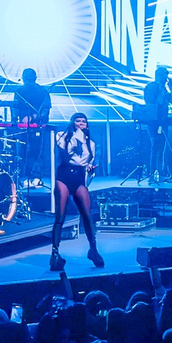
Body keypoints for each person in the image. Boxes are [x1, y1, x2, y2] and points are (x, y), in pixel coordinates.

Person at [51, 112, 102, 270]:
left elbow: (85, 162)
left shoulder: (90, 144)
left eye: (84, 121)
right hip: (64, 177)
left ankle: (93, 250)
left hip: (79, 179)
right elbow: (67, 156)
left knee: (87, 216)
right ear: (72, 122)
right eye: (78, 120)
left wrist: (90, 168)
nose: (81, 123)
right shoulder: (62, 136)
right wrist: (78, 134)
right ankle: (55, 253)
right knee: (60, 216)